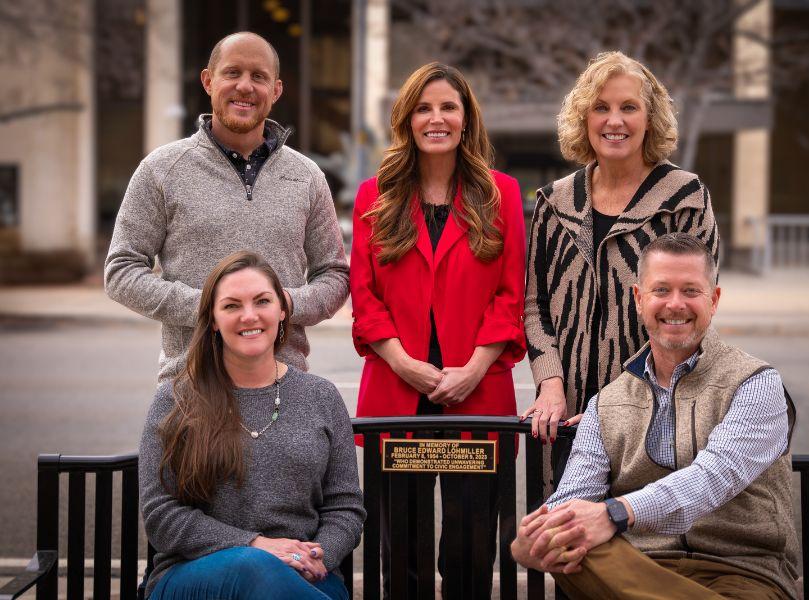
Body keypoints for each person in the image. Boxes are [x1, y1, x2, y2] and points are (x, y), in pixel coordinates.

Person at [512, 233, 799, 600]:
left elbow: (712, 478)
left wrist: (616, 513)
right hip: (635, 568)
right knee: (577, 544)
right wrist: (532, 540)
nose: (675, 304)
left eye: (691, 291)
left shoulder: (755, 383)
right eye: (661, 290)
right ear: (638, 298)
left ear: (714, 300)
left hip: (741, 573)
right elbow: (571, 504)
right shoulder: (606, 405)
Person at [350, 62, 526, 597]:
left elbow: (510, 295)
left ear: (467, 119)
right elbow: (365, 297)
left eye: (449, 107)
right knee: (400, 553)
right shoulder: (373, 197)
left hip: (477, 394)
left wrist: (474, 368)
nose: (437, 118)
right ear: (406, 120)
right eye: (424, 108)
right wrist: (405, 363)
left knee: (471, 553)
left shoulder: (503, 194)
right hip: (396, 395)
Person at [522, 51, 720, 482]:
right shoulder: (553, 202)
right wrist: (550, 384)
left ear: (650, 118)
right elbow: (535, 308)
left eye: (628, 107)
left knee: (643, 537)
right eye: (601, 108)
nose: (615, 121)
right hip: (564, 417)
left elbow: (688, 311)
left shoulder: (683, 198)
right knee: (565, 537)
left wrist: (616, 405)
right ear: (584, 118)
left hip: (654, 410)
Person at [106, 32, 348, 382]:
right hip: (190, 386)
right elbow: (121, 270)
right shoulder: (162, 169)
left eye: (259, 76)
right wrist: (208, 308)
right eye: (232, 73)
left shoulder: (307, 176)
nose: (245, 87)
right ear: (208, 81)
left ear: (276, 90)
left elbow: (335, 275)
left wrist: (285, 305)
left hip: (285, 384)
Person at [139, 250, 364, 600]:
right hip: (195, 573)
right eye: (231, 306)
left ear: (283, 310)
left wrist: (316, 554)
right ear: (212, 319)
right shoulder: (176, 399)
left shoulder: (321, 397)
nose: (249, 315)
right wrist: (257, 546)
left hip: (305, 575)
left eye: (262, 301)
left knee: (271, 579)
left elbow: (345, 506)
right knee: (253, 568)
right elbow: (162, 515)